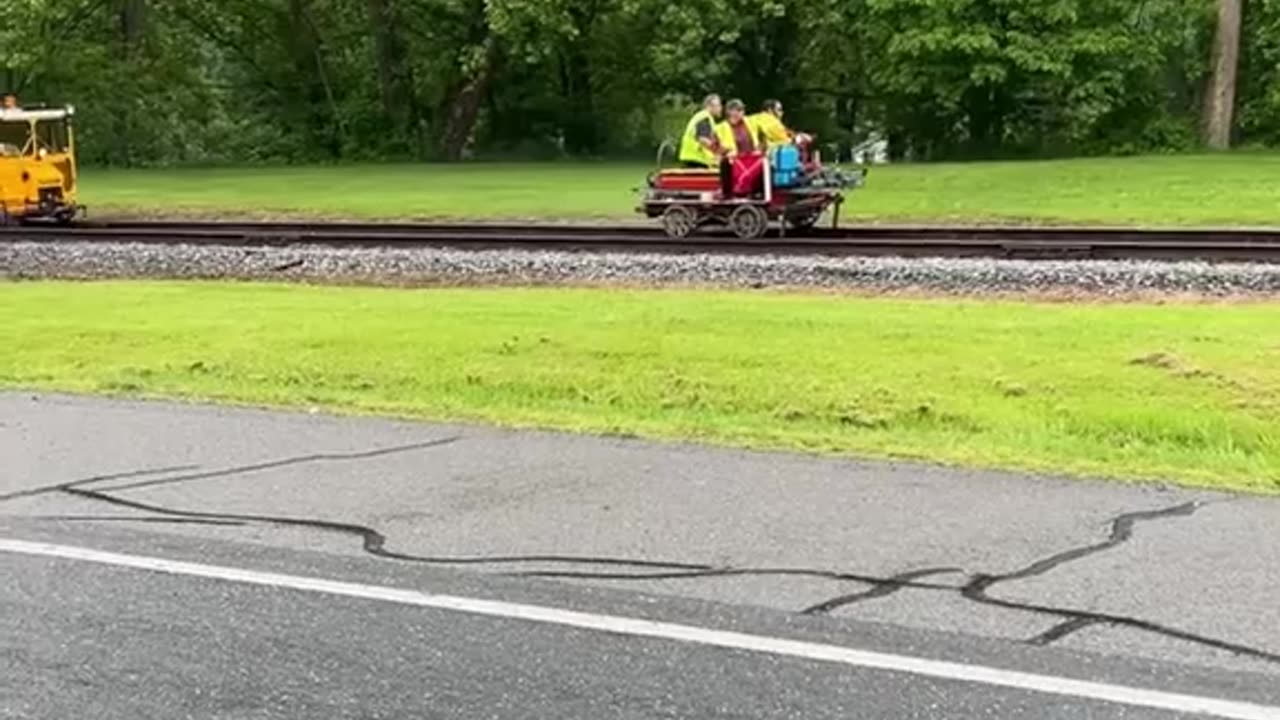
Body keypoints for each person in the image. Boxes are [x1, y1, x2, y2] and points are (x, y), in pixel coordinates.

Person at [677, 94, 724, 168]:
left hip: (693, 157)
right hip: (695, 159)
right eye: (718, 106)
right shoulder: (704, 117)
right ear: (709, 106)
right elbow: (703, 139)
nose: (720, 108)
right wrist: (718, 152)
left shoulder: (704, 117)